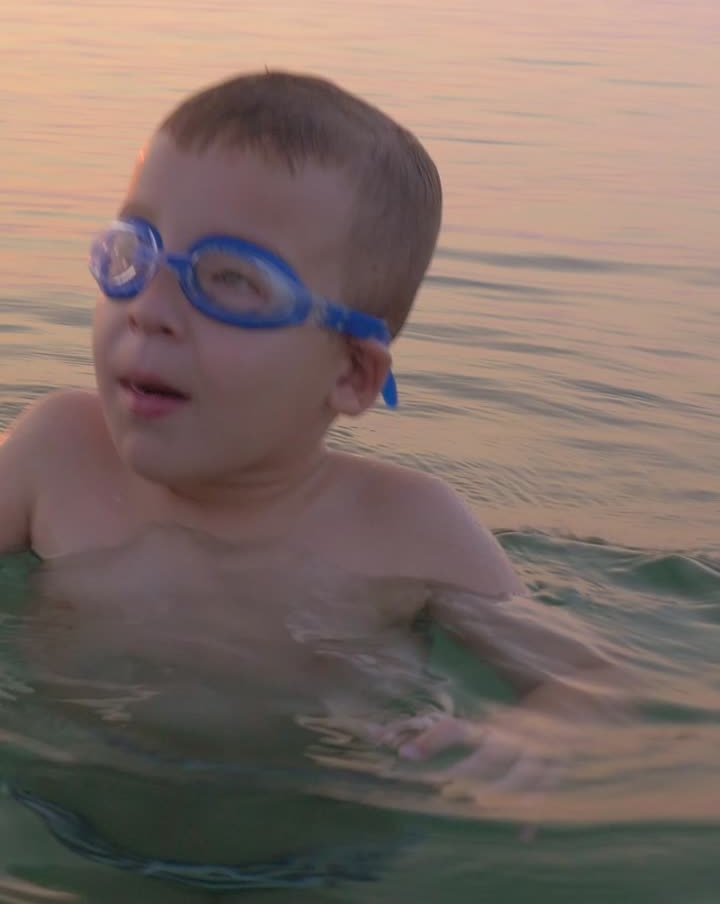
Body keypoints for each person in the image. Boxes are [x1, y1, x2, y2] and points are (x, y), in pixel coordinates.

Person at [0, 71, 622, 883]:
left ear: (352, 375)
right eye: (135, 248)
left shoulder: (409, 527)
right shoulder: (56, 453)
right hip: (57, 817)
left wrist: (535, 737)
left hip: (311, 855)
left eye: (232, 279)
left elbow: (592, 682)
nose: (148, 305)